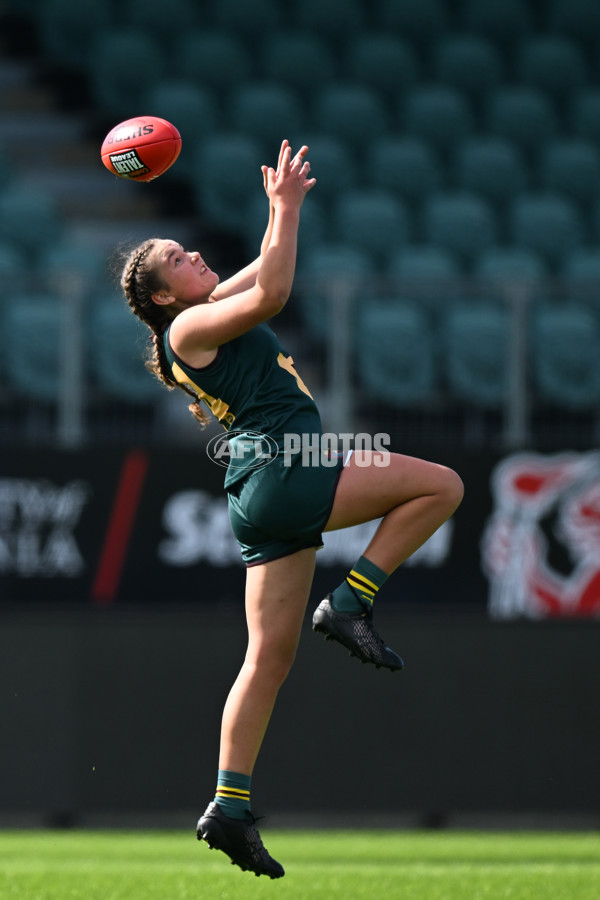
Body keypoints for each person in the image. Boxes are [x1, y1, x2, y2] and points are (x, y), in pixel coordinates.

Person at [119, 139, 463, 878]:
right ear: (161, 298)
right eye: (177, 259)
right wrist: (286, 209)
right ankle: (352, 600)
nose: (193, 258)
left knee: (267, 660)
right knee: (442, 486)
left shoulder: (200, 312)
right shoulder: (184, 329)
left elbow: (262, 277)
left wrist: (278, 219)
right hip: (290, 463)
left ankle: (228, 807)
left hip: (259, 493)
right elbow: (274, 294)